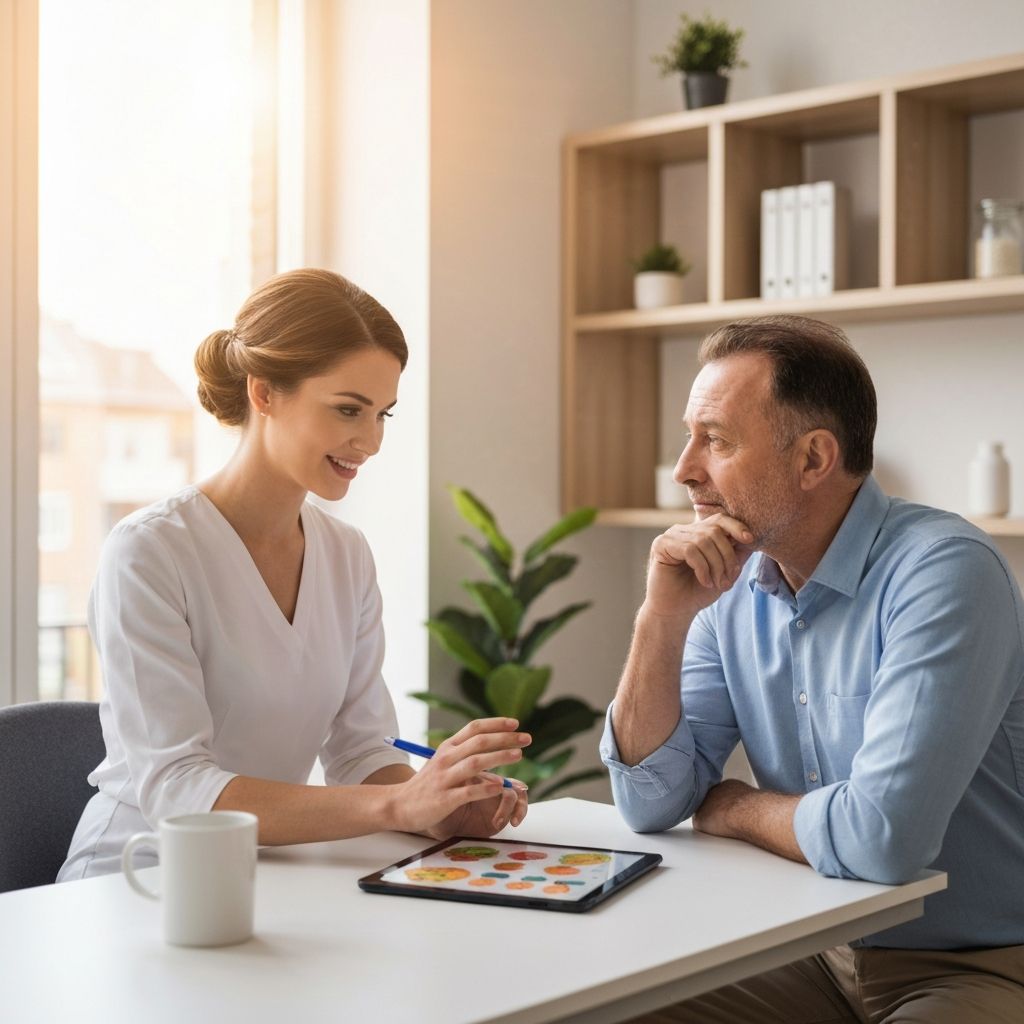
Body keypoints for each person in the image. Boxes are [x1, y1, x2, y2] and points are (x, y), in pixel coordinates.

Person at [600, 314, 1024, 1022]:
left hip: (979, 964)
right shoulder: (729, 589)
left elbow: (882, 839)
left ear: (814, 458)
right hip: (812, 952)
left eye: (716, 440)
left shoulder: (945, 572)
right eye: (689, 436)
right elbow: (649, 802)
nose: (684, 469)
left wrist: (737, 808)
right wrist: (660, 620)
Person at [59, 268, 529, 881]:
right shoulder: (149, 552)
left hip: (275, 874)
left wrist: (439, 810)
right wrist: (396, 803)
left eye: (383, 414)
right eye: (347, 410)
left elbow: (361, 749)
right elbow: (177, 785)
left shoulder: (346, 554)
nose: (371, 441)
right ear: (264, 394)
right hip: (141, 873)